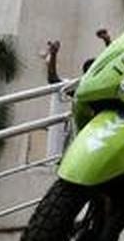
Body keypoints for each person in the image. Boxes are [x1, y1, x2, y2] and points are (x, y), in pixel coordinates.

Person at [44, 29, 112, 159]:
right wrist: (53, 55)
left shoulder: (107, 83)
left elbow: (113, 63)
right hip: (87, 135)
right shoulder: (82, 88)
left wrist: (107, 40)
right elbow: (53, 80)